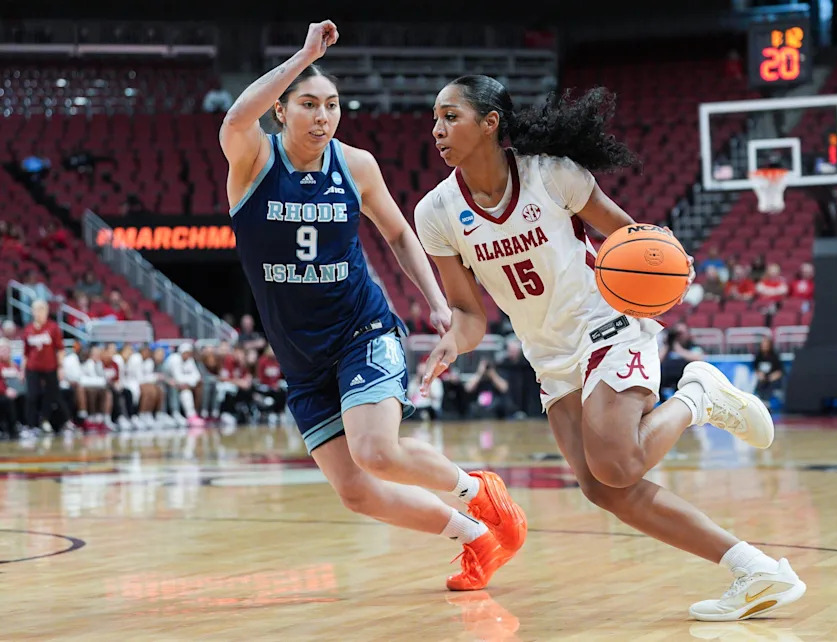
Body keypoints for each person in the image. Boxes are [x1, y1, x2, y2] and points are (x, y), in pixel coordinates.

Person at [415, 75, 806, 620]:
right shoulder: (435, 213)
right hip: (548, 353)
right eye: (434, 119)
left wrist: (669, 264)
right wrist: (453, 343)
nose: (437, 129)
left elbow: (633, 239)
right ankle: (756, 570)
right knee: (603, 489)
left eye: (450, 116)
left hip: (607, 322)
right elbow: (469, 314)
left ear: (490, 122)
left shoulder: (551, 175)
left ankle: (697, 398)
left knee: (617, 464)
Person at [219, 21, 526, 591]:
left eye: (332, 105)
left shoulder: (355, 165)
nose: (323, 116)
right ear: (281, 111)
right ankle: (475, 537)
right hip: (301, 360)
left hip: (362, 329)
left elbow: (400, 235)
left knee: (377, 451)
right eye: (308, 104)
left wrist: (436, 303)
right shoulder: (253, 162)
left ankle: (480, 490)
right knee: (356, 491)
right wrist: (305, 56)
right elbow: (237, 116)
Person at [21, 300, 70, 434]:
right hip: (32, 368)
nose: (40, 313)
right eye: (37, 310)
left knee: (51, 395)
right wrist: (22, 370)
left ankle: (45, 420)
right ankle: (30, 426)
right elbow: (25, 353)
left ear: (47, 312)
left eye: (42, 310)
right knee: (32, 396)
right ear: (32, 312)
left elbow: (60, 349)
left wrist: (60, 367)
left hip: (50, 367)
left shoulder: (53, 327)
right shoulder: (28, 329)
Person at [753, 337, 785, 406]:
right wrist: (759, 374)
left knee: (771, 384)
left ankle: (767, 401)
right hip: (762, 378)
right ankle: (760, 400)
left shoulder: (775, 356)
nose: (764, 347)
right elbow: (755, 368)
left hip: (772, 378)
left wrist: (773, 376)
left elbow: (780, 371)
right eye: (763, 345)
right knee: (759, 383)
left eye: (766, 345)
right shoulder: (759, 356)